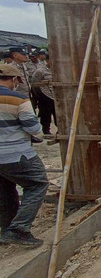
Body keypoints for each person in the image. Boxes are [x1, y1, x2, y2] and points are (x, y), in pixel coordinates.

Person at [0, 64, 49, 246]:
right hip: (16, 154)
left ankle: (6, 230)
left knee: (5, 191)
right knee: (38, 183)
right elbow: (34, 129)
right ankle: (19, 229)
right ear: (14, 80)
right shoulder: (18, 99)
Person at [31, 55, 56, 135]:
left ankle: (60, 130)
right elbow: (34, 84)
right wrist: (39, 95)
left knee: (58, 114)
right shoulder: (40, 71)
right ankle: (46, 130)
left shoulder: (57, 70)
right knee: (46, 114)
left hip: (56, 96)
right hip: (45, 95)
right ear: (48, 61)